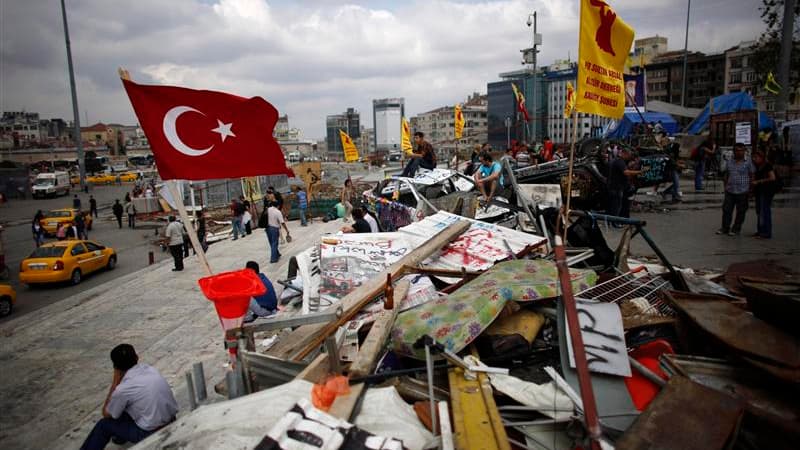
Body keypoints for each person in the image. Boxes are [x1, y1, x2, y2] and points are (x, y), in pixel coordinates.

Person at [79, 344, 177, 450]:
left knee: (104, 425)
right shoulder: (150, 369)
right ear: (137, 357)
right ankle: (120, 437)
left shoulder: (123, 389)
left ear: (116, 367)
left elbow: (107, 413)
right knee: (125, 405)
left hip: (150, 432)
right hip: (171, 420)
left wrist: (115, 381)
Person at [716, 143, 754, 236]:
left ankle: (736, 229)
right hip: (730, 190)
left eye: (741, 150)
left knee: (741, 211)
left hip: (743, 190)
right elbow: (726, 174)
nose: (739, 152)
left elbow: (752, 175)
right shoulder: (730, 161)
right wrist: (725, 186)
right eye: (737, 150)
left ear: (744, 151)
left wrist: (751, 189)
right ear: (734, 151)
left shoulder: (748, 162)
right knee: (726, 210)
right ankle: (725, 228)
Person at [606, 148, 641, 218]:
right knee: (616, 206)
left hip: (614, 186)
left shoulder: (616, 160)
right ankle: (614, 221)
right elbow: (626, 172)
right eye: (628, 155)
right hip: (616, 187)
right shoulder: (619, 161)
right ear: (624, 154)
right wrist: (639, 172)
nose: (629, 157)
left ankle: (614, 220)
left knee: (615, 205)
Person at [751, 149, 776, 239]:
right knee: (759, 211)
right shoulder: (757, 166)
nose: (754, 159)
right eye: (753, 157)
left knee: (764, 211)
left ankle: (766, 232)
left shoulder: (767, 166)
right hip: (759, 191)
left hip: (766, 191)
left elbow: (772, 178)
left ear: (762, 157)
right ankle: (760, 230)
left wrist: (759, 181)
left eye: (756, 157)